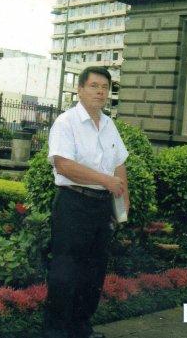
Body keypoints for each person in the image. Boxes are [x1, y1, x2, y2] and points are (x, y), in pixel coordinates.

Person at [43, 66, 130, 338]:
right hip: (73, 203)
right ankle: (56, 332)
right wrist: (106, 181)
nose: (100, 92)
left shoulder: (109, 125)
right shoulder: (66, 123)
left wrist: (123, 209)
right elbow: (64, 165)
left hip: (101, 207)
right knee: (65, 270)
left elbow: (119, 165)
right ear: (80, 90)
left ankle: (81, 328)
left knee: (94, 272)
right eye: (94, 86)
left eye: (105, 87)